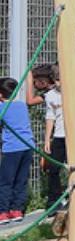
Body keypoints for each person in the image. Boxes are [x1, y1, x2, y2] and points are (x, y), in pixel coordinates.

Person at [28, 65, 65, 209]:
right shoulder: (50, 95)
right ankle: (54, 202)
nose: (59, 83)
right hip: (58, 136)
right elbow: (49, 117)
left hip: (74, 137)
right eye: (57, 80)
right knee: (53, 169)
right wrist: (47, 139)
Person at [0, 77, 33, 224]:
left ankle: (3, 212)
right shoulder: (22, 106)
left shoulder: (2, 108)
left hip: (12, 149)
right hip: (27, 147)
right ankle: (17, 210)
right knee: (21, 179)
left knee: (6, 181)